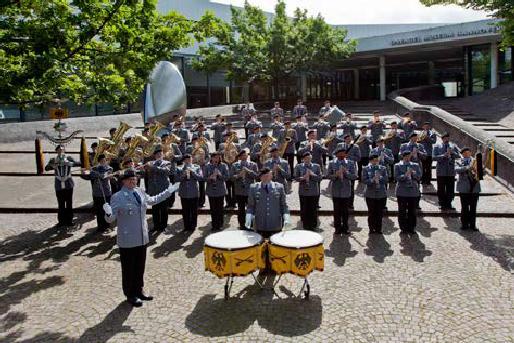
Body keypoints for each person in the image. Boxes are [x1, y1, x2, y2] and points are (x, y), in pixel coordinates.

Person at [103, 168, 176, 307]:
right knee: (129, 268)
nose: (133, 181)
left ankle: (139, 290)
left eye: (135, 179)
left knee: (140, 266)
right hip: (128, 238)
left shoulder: (140, 191)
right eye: (130, 179)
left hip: (142, 236)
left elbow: (153, 200)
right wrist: (107, 213)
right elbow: (111, 218)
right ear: (124, 181)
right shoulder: (118, 196)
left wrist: (168, 191)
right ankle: (130, 294)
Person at [246, 168, 290, 238]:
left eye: (268, 175)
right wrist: (248, 216)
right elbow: (251, 205)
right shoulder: (253, 187)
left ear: (271, 176)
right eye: (263, 176)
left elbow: (283, 205)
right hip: (260, 223)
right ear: (260, 177)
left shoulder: (279, 187)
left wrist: (287, 217)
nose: (266, 177)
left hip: (275, 223)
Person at [45, 145, 81, 227]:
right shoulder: (53, 159)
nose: (61, 151)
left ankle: (69, 220)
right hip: (58, 184)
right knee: (60, 203)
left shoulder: (68, 158)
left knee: (69, 203)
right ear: (56, 151)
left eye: (62, 150)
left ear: (64, 150)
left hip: (68, 184)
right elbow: (46, 168)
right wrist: (52, 166)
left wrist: (69, 163)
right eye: (59, 150)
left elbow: (79, 163)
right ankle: (61, 221)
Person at [325, 147, 358, 234]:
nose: (343, 155)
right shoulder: (332, 163)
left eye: (344, 153)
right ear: (337, 155)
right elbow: (328, 176)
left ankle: (345, 228)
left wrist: (346, 172)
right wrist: (335, 175)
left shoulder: (350, 163)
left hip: (346, 190)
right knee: (336, 211)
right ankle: (337, 228)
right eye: (341, 154)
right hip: (336, 190)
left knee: (345, 211)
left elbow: (354, 176)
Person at [80, 154, 113, 232]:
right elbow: (88, 177)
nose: (103, 162)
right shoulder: (94, 169)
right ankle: (100, 227)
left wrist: (94, 172)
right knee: (99, 211)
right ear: (99, 162)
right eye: (101, 161)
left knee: (107, 210)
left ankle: (107, 226)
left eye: (104, 161)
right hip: (97, 193)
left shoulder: (109, 168)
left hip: (106, 192)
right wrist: (83, 172)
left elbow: (104, 175)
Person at [144, 148, 172, 231]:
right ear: (154, 156)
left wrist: (152, 167)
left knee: (164, 209)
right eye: (157, 154)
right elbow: (145, 174)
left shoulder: (167, 163)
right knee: (155, 209)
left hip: (163, 189)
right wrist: (143, 169)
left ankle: (163, 226)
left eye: (160, 154)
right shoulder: (150, 163)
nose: (159, 155)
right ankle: (156, 226)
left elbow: (165, 171)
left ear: (163, 155)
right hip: (153, 190)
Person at [394, 151, 422, 234]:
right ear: (403, 157)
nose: (408, 158)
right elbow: (396, 177)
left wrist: (413, 174)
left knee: (412, 211)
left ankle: (411, 227)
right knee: (402, 210)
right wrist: (405, 175)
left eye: (409, 156)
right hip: (402, 191)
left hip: (413, 191)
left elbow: (419, 176)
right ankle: (403, 227)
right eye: (406, 156)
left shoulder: (415, 165)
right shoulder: (398, 165)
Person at [230, 149, 259, 229]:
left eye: (245, 155)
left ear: (247, 156)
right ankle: (242, 224)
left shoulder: (253, 164)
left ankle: (251, 224)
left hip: (250, 191)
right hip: (239, 191)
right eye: (242, 155)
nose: (244, 156)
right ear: (239, 157)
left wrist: (248, 171)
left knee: (251, 208)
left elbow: (257, 176)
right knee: (241, 209)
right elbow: (231, 178)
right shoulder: (234, 165)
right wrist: (239, 175)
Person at [294, 152, 322, 231]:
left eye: (309, 158)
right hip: (303, 191)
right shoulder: (299, 166)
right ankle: (305, 226)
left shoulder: (316, 166)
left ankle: (313, 225)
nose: (307, 160)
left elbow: (320, 178)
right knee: (304, 209)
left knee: (313, 209)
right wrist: (303, 178)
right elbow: (295, 177)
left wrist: (313, 175)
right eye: (306, 158)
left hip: (314, 191)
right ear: (303, 159)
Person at [432, 132, 460, 210]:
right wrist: (443, 155)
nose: (447, 140)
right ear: (442, 139)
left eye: (448, 138)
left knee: (450, 188)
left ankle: (449, 203)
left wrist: (452, 152)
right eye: (445, 138)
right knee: (441, 188)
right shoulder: (437, 146)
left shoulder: (453, 146)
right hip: (441, 171)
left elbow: (458, 156)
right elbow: (434, 157)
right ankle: (442, 203)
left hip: (450, 171)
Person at [177, 154, 203, 232]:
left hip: (194, 192)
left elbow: (200, 178)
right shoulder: (180, 168)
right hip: (184, 193)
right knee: (185, 211)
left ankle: (193, 226)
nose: (188, 161)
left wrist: (193, 172)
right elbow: (176, 179)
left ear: (192, 160)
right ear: (184, 161)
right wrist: (183, 175)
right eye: (186, 160)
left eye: (190, 159)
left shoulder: (197, 167)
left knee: (194, 210)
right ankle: (186, 226)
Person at [456, 148, 481, 231]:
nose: (467, 154)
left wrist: (477, 170)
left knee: (473, 207)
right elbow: (457, 169)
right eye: (465, 153)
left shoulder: (476, 161)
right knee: (464, 207)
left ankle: (473, 225)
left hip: (474, 187)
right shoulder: (459, 161)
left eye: (468, 152)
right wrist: (467, 167)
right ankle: (464, 224)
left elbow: (482, 173)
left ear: (470, 153)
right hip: (464, 187)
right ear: (462, 154)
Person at [362, 154, 388, 234]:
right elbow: (364, 180)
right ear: (370, 161)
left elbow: (386, 179)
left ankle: (378, 229)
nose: (376, 162)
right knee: (371, 212)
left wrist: (379, 177)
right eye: (374, 160)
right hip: (370, 194)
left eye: (377, 160)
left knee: (379, 212)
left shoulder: (383, 168)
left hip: (381, 193)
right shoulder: (366, 169)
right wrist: (373, 179)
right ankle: (371, 228)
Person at [205, 152, 229, 231]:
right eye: (215, 157)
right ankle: (214, 225)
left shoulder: (223, 166)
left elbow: (227, 178)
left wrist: (220, 175)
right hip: (211, 190)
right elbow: (203, 179)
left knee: (220, 208)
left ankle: (220, 224)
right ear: (211, 158)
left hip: (220, 190)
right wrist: (210, 177)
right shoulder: (207, 166)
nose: (216, 159)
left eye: (218, 158)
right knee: (213, 209)